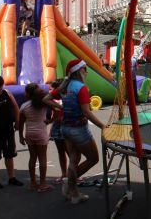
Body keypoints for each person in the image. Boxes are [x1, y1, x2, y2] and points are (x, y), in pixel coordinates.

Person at [43, 59, 107, 204]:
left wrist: (61, 108)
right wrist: (102, 126)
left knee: (74, 158)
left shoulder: (65, 86)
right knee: (93, 158)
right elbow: (86, 112)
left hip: (65, 128)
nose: (87, 72)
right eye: (85, 69)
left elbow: (46, 99)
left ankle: (73, 193)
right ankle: (70, 185)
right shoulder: (81, 88)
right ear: (79, 71)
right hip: (79, 130)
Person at [19, 84, 53, 192]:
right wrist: (50, 121)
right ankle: (42, 184)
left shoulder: (24, 106)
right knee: (42, 158)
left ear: (28, 93)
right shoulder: (43, 103)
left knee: (32, 158)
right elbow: (57, 110)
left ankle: (33, 183)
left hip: (29, 133)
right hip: (41, 133)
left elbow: (20, 122)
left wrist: (20, 136)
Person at [47, 80, 68, 184]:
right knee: (65, 152)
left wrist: (50, 122)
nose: (49, 91)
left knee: (66, 152)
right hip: (59, 127)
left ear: (57, 89)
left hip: (65, 127)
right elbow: (55, 116)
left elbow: (56, 116)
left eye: (51, 89)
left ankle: (68, 174)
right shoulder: (57, 100)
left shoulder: (57, 100)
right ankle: (66, 174)